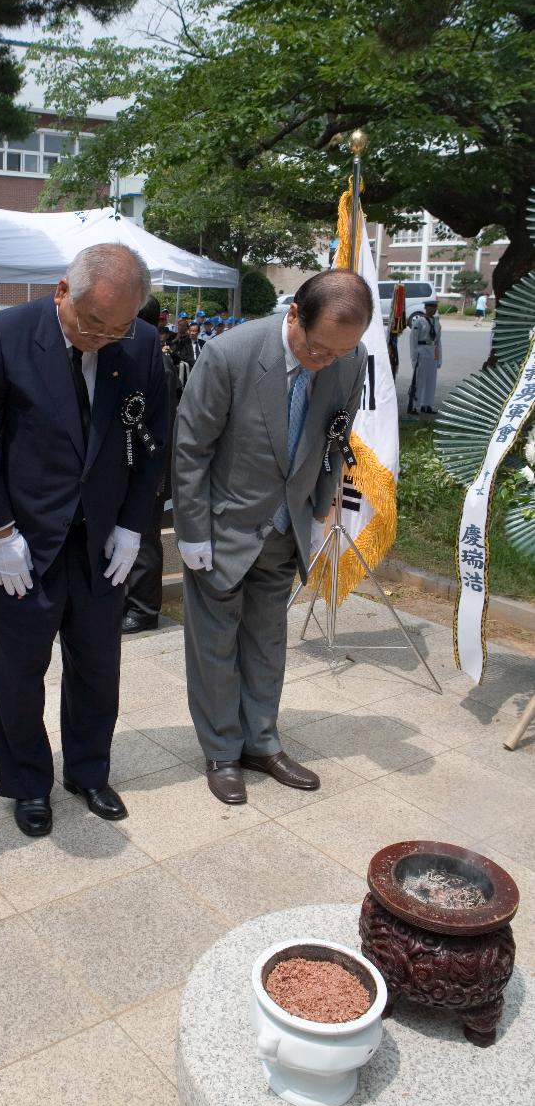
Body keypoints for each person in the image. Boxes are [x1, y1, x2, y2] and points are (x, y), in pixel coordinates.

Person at [0, 244, 168, 837]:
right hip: (20, 538)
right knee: (17, 670)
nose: (101, 337)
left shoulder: (141, 345)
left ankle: (89, 770)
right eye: (91, 324)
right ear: (61, 292)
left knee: (99, 663)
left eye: (116, 328)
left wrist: (132, 524)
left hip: (99, 537)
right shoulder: (0, 337)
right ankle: (27, 784)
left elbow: (152, 441)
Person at [173, 269, 371, 805]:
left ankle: (262, 741)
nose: (325, 360)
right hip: (224, 528)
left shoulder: (349, 361)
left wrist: (317, 508)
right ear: (294, 316)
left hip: (287, 527)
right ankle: (220, 750)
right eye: (318, 348)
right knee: (215, 645)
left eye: (339, 353)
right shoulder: (229, 355)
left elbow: (336, 440)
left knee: (268, 640)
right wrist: (191, 530)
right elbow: (191, 447)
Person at [122, 296, 177, 633]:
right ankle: (129, 601)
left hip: (149, 461)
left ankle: (144, 610)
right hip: (130, 461)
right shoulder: (139, 354)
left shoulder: (159, 362)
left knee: (144, 538)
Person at [408, 299, 442, 413]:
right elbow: (413, 340)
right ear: (426, 308)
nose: (433, 309)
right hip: (421, 353)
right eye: (431, 307)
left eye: (435, 307)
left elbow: (438, 342)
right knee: (419, 381)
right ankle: (414, 406)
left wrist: (439, 358)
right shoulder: (419, 321)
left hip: (432, 354)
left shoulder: (437, 323)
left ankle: (427, 405)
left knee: (431, 381)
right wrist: (414, 358)